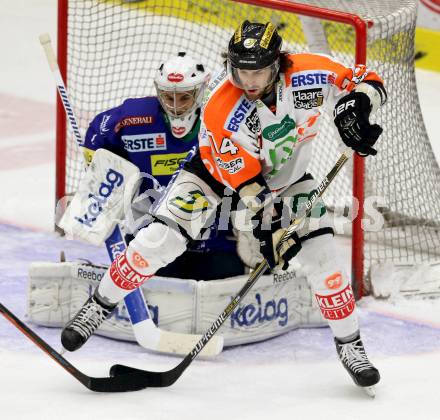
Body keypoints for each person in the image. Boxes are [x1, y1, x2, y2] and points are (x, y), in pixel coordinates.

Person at [61, 21, 387, 391]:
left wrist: (356, 104)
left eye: (257, 71)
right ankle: (100, 304)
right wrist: (271, 229)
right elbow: (247, 185)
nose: (248, 80)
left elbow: (365, 78)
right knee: (157, 241)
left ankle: (350, 345)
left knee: (325, 261)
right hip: (215, 175)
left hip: (288, 179)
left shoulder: (311, 71)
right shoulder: (221, 108)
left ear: (278, 64)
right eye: (240, 70)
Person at [82, 52, 245, 280]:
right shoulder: (135, 120)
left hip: (213, 239)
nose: (176, 106)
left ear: (200, 94)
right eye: (169, 97)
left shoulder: (222, 121)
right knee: (159, 285)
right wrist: (101, 174)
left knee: (224, 279)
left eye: (185, 97)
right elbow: (98, 132)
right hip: (152, 235)